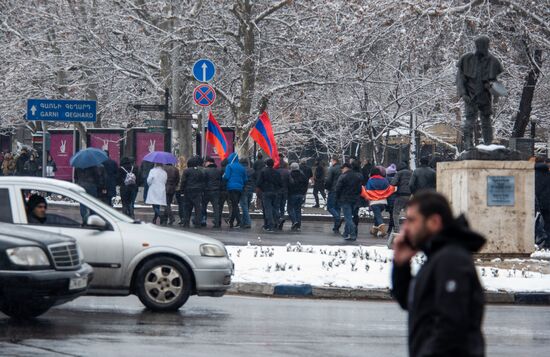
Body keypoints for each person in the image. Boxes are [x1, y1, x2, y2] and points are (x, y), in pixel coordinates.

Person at [392, 191, 486, 357]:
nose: (406, 228)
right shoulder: (438, 256)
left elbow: (452, 326)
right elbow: (413, 304)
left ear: (434, 222)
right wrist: (401, 265)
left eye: (412, 220)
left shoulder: (451, 259)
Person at [457, 35, 503, 149]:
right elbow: (460, 79)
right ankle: (468, 145)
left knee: (486, 121)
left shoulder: (493, 61)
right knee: (469, 121)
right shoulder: (466, 59)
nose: (481, 47)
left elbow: (494, 81)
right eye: (479, 45)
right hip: (470, 95)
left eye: (483, 45)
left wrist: (492, 87)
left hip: (485, 96)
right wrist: (463, 93)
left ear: (487, 45)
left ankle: (488, 145)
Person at [362, 167, 395, 238]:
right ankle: (374, 231)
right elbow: (388, 189)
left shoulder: (370, 180)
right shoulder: (384, 180)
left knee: (378, 216)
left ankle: (383, 231)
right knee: (377, 215)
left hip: (374, 202)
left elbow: (367, 190)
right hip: (383, 202)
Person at [334, 163, 363, 241]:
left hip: (345, 199)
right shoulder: (357, 176)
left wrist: (337, 198)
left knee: (348, 218)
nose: (341, 170)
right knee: (349, 217)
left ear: (346, 168)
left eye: (342, 168)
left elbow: (338, 188)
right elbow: (360, 189)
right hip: (355, 199)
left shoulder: (343, 176)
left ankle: (353, 234)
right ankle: (346, 233)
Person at [256, 158, 282, 232]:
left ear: (266, 164)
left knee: (268, 209)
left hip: (266, 192)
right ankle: (278, 218)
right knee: (274, 208)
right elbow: (280, 183)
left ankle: (270, 225)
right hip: (275, 192)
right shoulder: (276, 172)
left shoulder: (263, 171)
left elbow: (258, 182)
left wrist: (262, 189)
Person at [179, 156, 205, 228]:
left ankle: (186, 222)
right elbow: (203, 181)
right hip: (198, 191)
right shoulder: (200, 171)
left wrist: (182, 191)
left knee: (187, 207)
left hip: (188, 190)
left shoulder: (186, 171)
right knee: (197, 207)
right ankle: (198, 222)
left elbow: (183, 181)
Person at [223, 153, 247, 229]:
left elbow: (226, 177)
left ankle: (236, 221)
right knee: (235, 204)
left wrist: (223, 176)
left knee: (234, 205)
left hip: (231, 188)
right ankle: (232, 221)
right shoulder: (242, 167)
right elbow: (245, 179)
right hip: (239, 188)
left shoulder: (229, 166)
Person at [391, 162, 412, 234]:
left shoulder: (399, 173)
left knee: (396, 213)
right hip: (409, 195)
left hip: (400, 195)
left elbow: (393, 183)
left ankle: (397, 229)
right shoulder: (411, 173)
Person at [287, 162, 309, 231]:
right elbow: (306, 184)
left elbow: (289, 185)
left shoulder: (290, 175)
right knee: (298, 210)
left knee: (290, 209)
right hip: (301, 194)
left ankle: (294, 221)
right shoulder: (302, 175)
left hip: (292, 194)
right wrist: (304, 193)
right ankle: (298, 224)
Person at [202, 157, 222, 228]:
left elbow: (203, 181)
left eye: (206, 162)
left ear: (210, 162)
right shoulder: (218, 171)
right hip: (216, 191)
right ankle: (217, 222)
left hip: (206, 191)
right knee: (216, 208)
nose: (205, 163)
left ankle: (203, 220)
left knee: (203, 206)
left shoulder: (205, 171)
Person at [535, 158, 550, 248]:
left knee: (536, 224)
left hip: (536, 204)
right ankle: (547, 244)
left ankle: (538, 242)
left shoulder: (532, 175)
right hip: (548, 204)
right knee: (547, 224)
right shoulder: (548, 175)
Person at [325, 156, 342, 234]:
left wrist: (327, 188)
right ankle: (336, 226)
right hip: (340, 191)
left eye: (331, 161)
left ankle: (337, 219)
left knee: (330, 207)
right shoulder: (342, 168)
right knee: (337, 207)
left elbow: (328, 180)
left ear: (334, 161)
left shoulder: (332, 169)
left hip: (333, 190)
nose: (331, 162)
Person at [239, 158, 255, 229]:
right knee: (246, 207)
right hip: (250, 190)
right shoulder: (252, 170)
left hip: (243, 190)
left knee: (244, 207)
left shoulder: (241, 170)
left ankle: (248, 222)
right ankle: (243, 222)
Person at [276, 161, 290, 230]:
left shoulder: (276, 171)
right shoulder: (288, 172)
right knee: (282, 206)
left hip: (278, 191)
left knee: (277, 205)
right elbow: (291, 181)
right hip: (285, 191)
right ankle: (282, 217)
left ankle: (278, 219)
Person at [385, 163, 397, 235]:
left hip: (389, 199)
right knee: (393, 214)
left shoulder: (386, 179)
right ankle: (391, 228)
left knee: (391, 214)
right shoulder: (397, 179)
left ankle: (390, 229)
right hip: (396, 198)